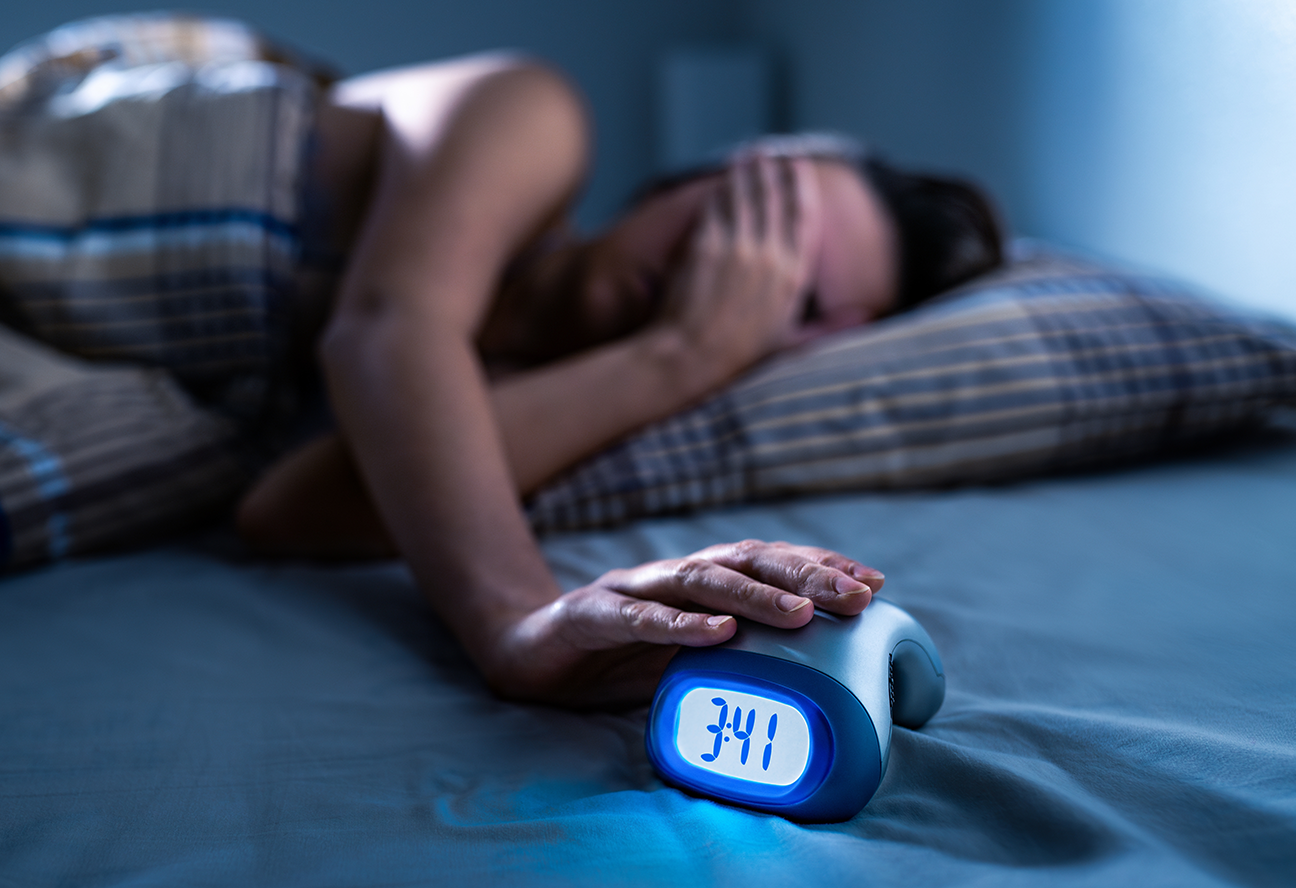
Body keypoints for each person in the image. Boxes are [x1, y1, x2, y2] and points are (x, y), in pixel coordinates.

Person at [223, 49, 1005, 708]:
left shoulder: (508, 404)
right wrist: (516, 621)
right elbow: (388, 327)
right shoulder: (530, 113)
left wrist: (672, 359)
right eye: (750, 217)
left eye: (786, 293)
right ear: (686, 179)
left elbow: (283, 510)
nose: (722, 269)